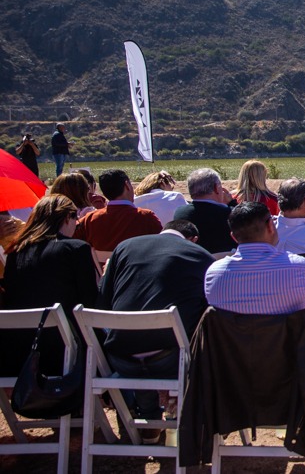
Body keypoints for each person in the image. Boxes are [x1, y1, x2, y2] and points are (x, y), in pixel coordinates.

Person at [97, 220, 215, 441]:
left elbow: (103, 301)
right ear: (192, 239)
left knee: (139, 345)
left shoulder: (125, 247)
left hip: (120, 356)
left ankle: (148, 418)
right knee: (180, 340)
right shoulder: (199, 255)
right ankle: (175, 416)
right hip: (171, 359)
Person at [203, 202, 305, 327]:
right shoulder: (301, 268)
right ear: (270, 226)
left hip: (235, 359)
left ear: (234, 237)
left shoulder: (213, 273)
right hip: (291, 357)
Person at [1, 195, 98, 375]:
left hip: (18, 350)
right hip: (64, 350)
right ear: (65, 217)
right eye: (75, 217)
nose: (77, 224)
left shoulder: (16, 252)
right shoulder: (76, 249)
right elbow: (89, 303)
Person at [74, 169, 162, 254]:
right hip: (134, 267)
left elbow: (70, 238)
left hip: (101, 267)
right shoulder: (146, 217)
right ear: (127, 185)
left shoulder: (89, 220)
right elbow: (163, 244)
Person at [173, 168, 236, 255]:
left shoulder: (180, 212)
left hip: (190, 262)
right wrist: (232, 203)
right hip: (223, 263)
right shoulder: (228, 213)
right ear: (217, 188)